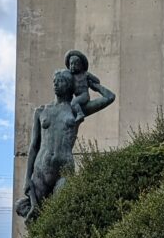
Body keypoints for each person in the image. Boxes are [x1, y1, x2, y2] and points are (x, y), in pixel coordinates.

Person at [15, 67, 116, 222]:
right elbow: (34, 146)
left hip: (64, 168)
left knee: (60, 212)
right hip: (42, 168)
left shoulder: (76, 109)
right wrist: (27, 177)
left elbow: (109, 97)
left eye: (60, 81)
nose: (56, 85)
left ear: (69, 84)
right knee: (36, 217)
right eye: (54, 82)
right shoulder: (41, 111)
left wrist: (93, 85)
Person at [64, 50, 101, 123]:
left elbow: (97, 81)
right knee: (72, 102)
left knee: (74, 103)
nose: (73, 66)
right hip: (78, 96)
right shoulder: (72, 77)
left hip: (84, 95)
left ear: (81, 65)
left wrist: (91, 83)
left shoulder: (85, 74)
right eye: (71, 64)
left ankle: (80, 114)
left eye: (75, 64)